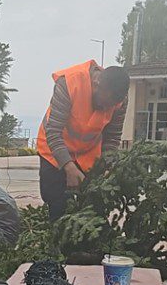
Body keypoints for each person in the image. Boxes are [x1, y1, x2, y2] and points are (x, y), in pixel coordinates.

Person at [35, 60, 130, 221]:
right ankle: (58, 241)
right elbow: (53, 131)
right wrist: (68, 167)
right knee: (57, 203)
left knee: (92, 207)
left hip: (87, 153)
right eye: (104, 102)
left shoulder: (118, 101)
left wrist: (107, 164)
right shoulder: (69, 83)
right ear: (97, 83)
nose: (106, 108)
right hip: (53, 149)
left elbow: (112, 137)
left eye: (111, 105)